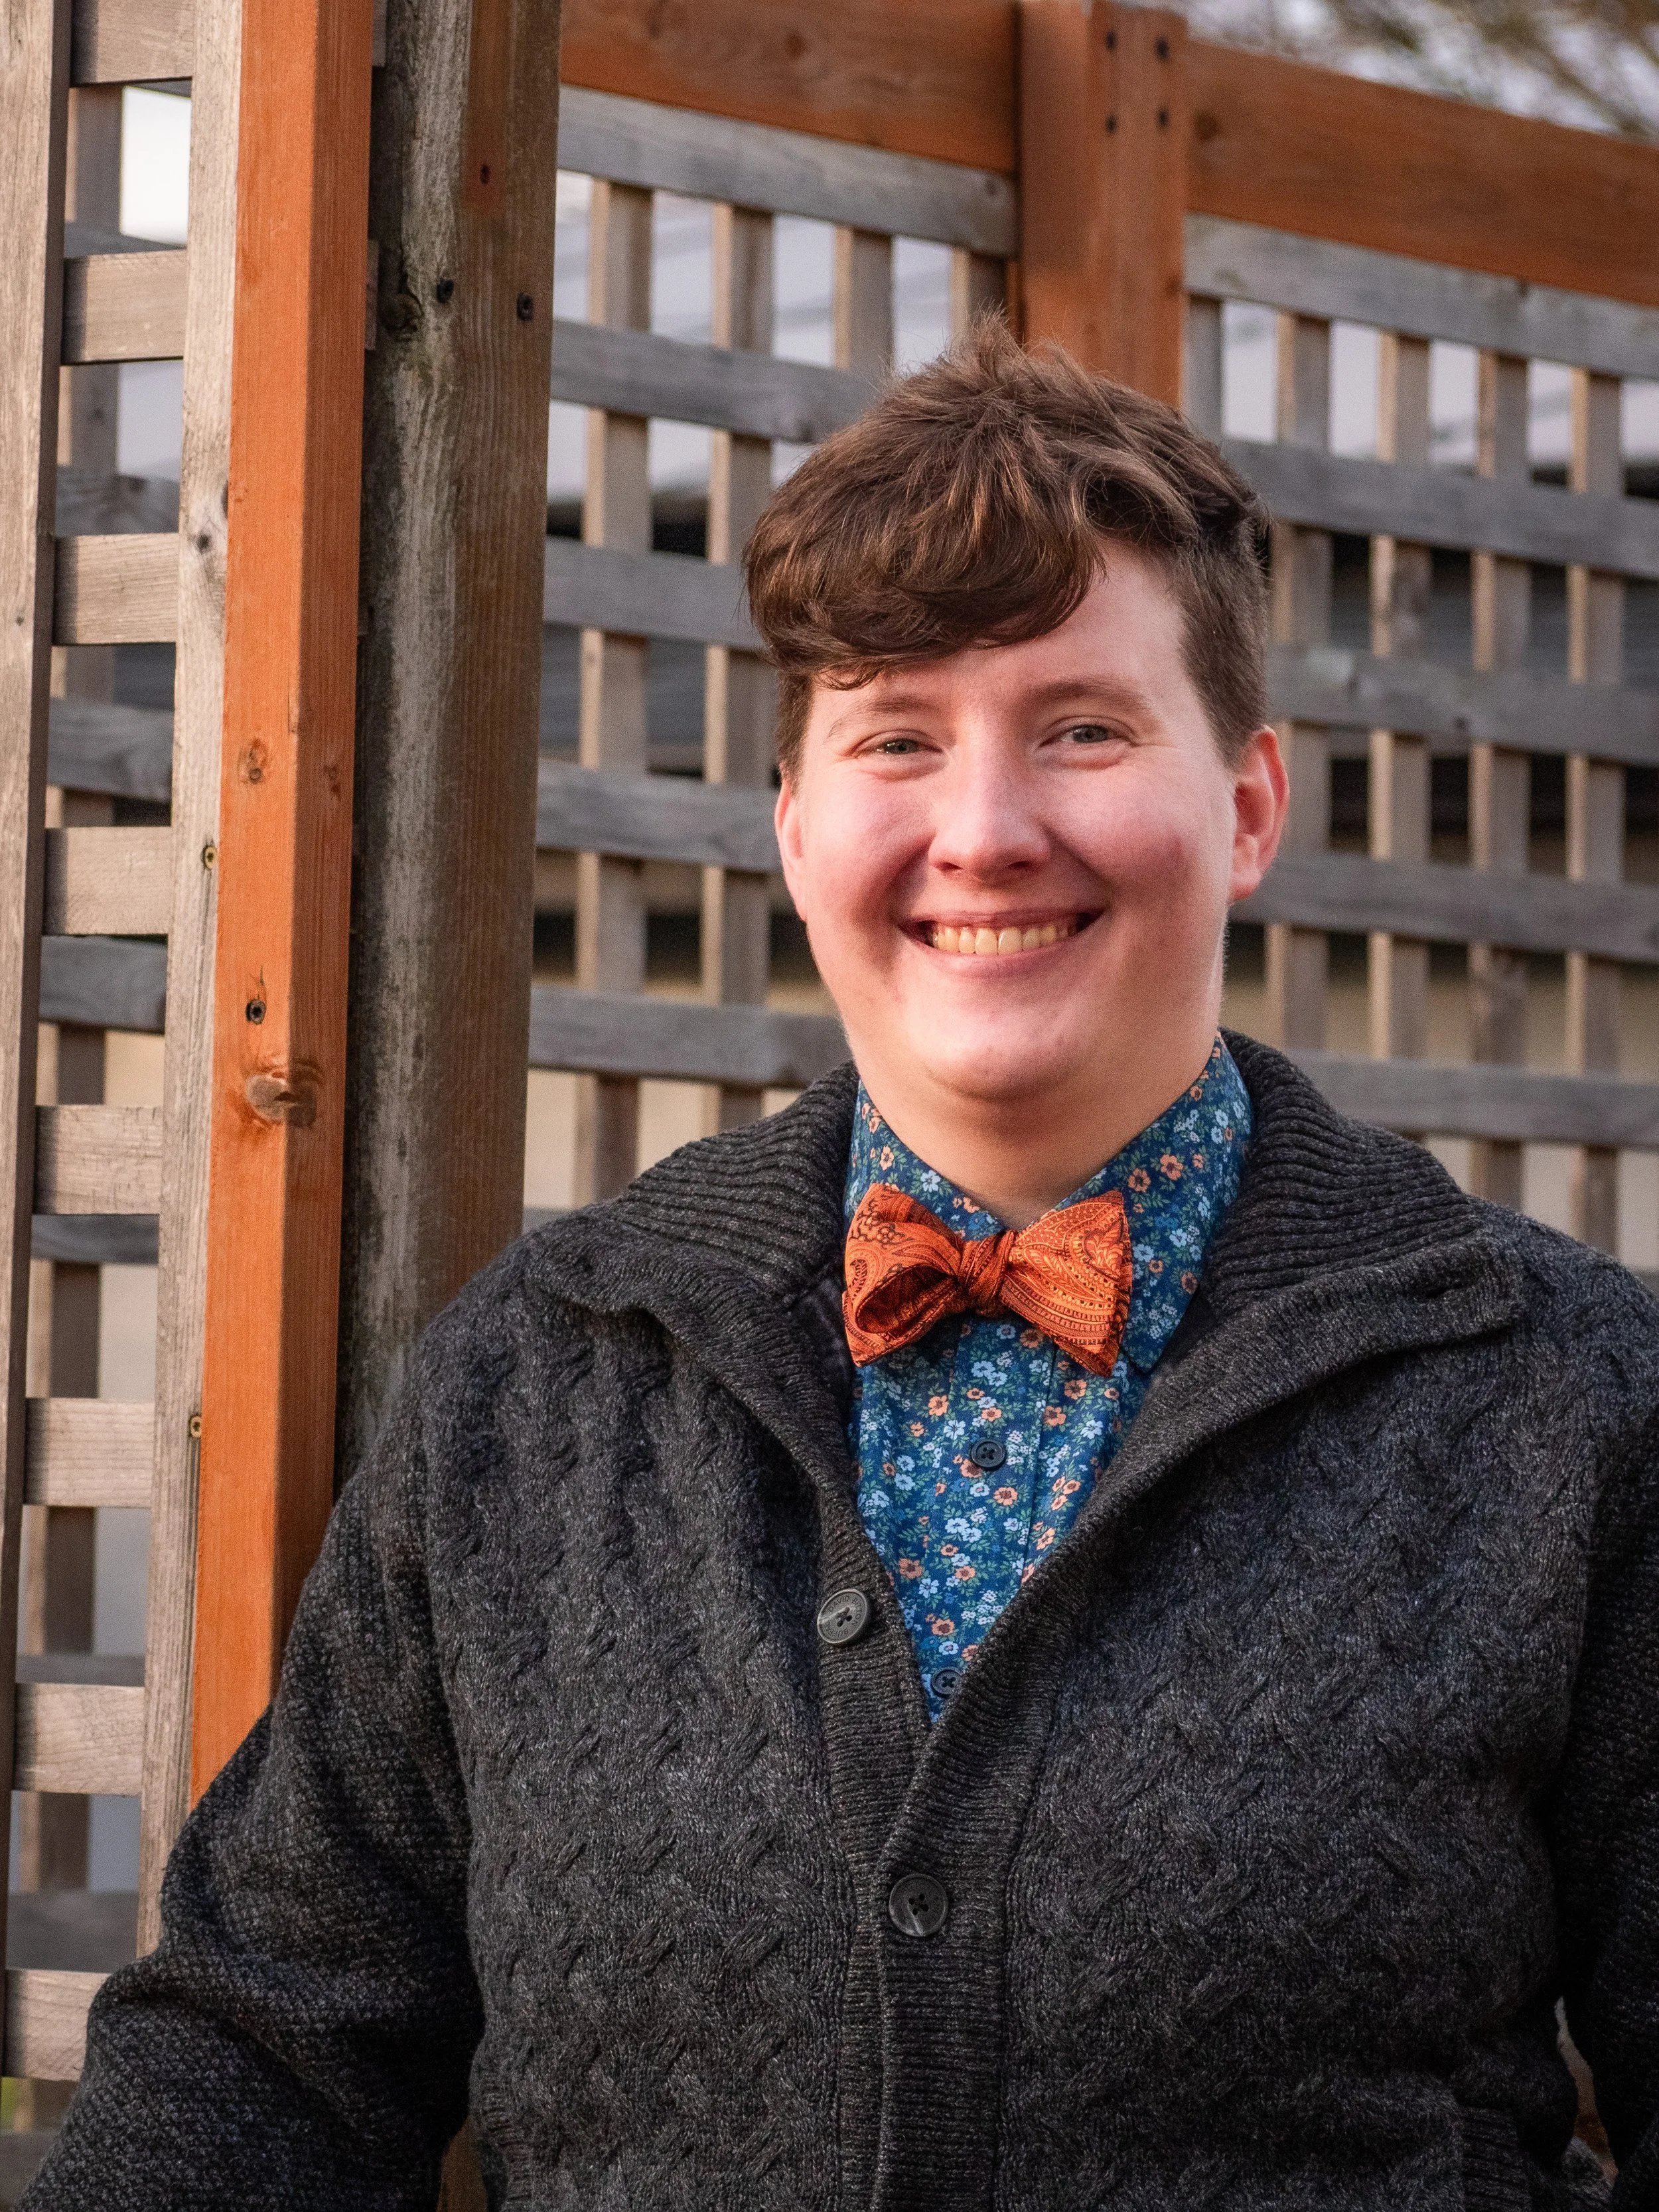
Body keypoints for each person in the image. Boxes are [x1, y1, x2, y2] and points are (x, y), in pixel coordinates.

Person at [24, 322, 1658, 2211]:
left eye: (1081, 726)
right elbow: (264, 2050)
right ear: (795, 820)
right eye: (896, 735)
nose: (983, 830)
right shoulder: (539, 1385)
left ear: (1247, 805)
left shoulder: (1565, 1395)